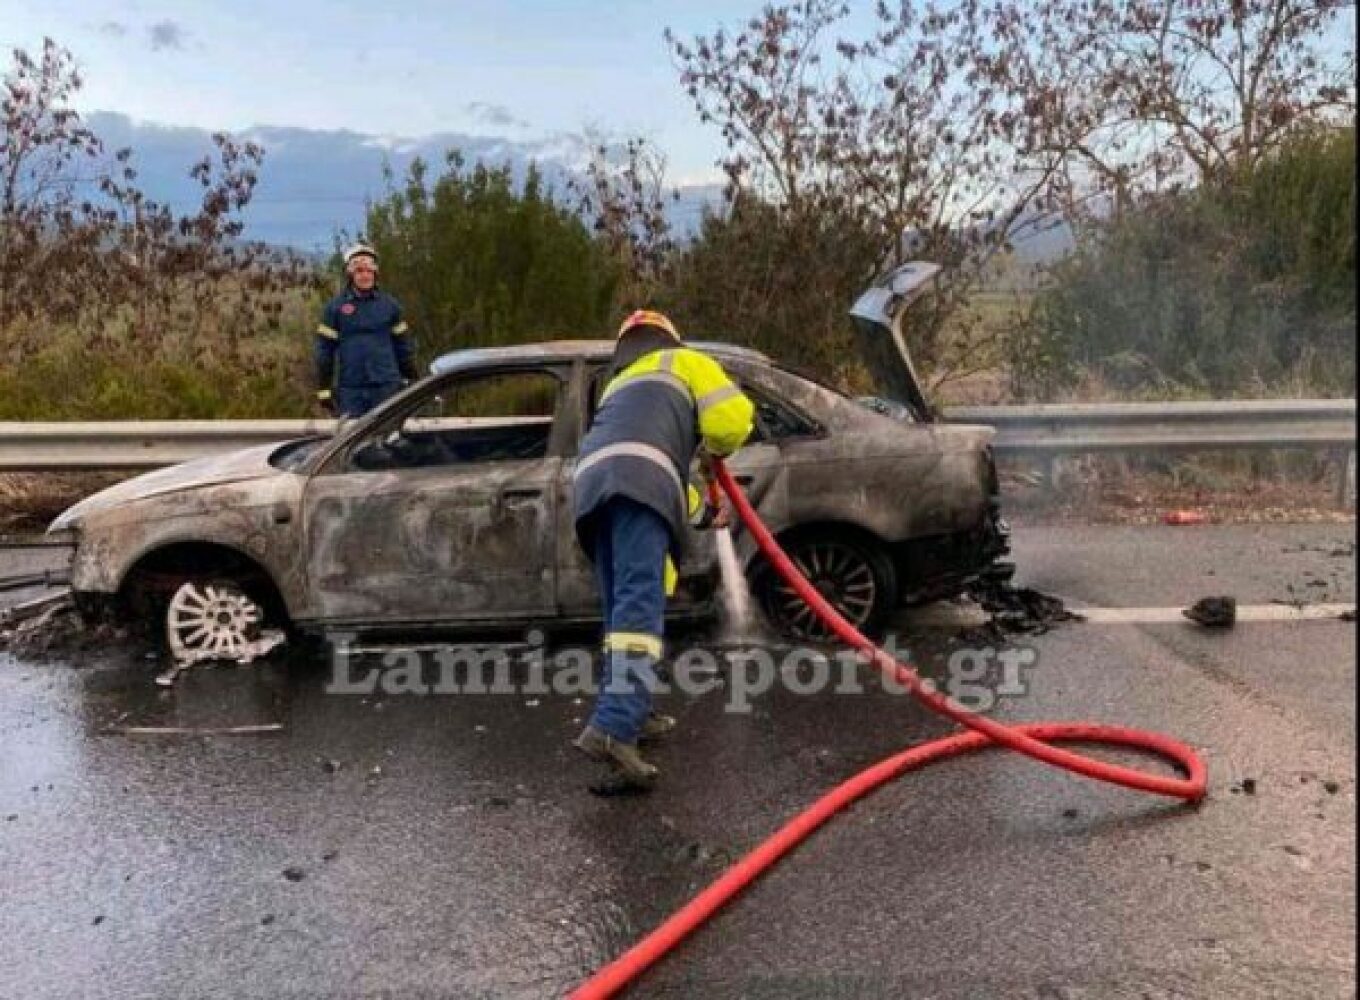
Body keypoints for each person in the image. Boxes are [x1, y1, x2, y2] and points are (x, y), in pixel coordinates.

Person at [572, 309, 755, 790]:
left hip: (592, 486)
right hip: (639, 483)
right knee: (639, 609)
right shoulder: (684, 361)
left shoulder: (622, 383)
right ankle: (613, 728)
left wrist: (699, 509)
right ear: (668, 337)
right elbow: (733, 422)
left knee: (621, 609)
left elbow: (652, 465)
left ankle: (637, 710)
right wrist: (715, 448)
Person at [314, 242, 417, 418]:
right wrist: (324, 389)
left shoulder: (390, 306)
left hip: (387, 387)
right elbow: (324, 353)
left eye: (369, 271)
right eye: (360, 271)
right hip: (351, 391)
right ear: (350, 274)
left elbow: (403, 347)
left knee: (390, 439)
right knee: (354, 442)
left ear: (375, 273)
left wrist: (412, 379)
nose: (365, 276)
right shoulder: (335, 309)